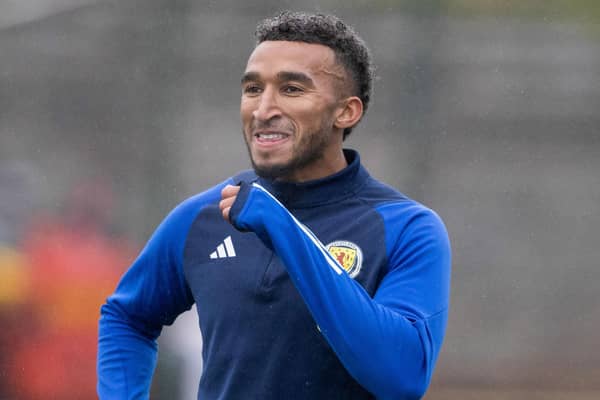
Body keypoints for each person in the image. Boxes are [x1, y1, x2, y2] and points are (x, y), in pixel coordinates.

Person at [97, 11, 451, 400]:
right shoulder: (203, 218)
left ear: (346, 111)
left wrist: (284, 229)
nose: (263, 109)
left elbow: (401, 377)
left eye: (292, 89)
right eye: (252, 89)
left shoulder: (407, 228)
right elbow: (127, 317)